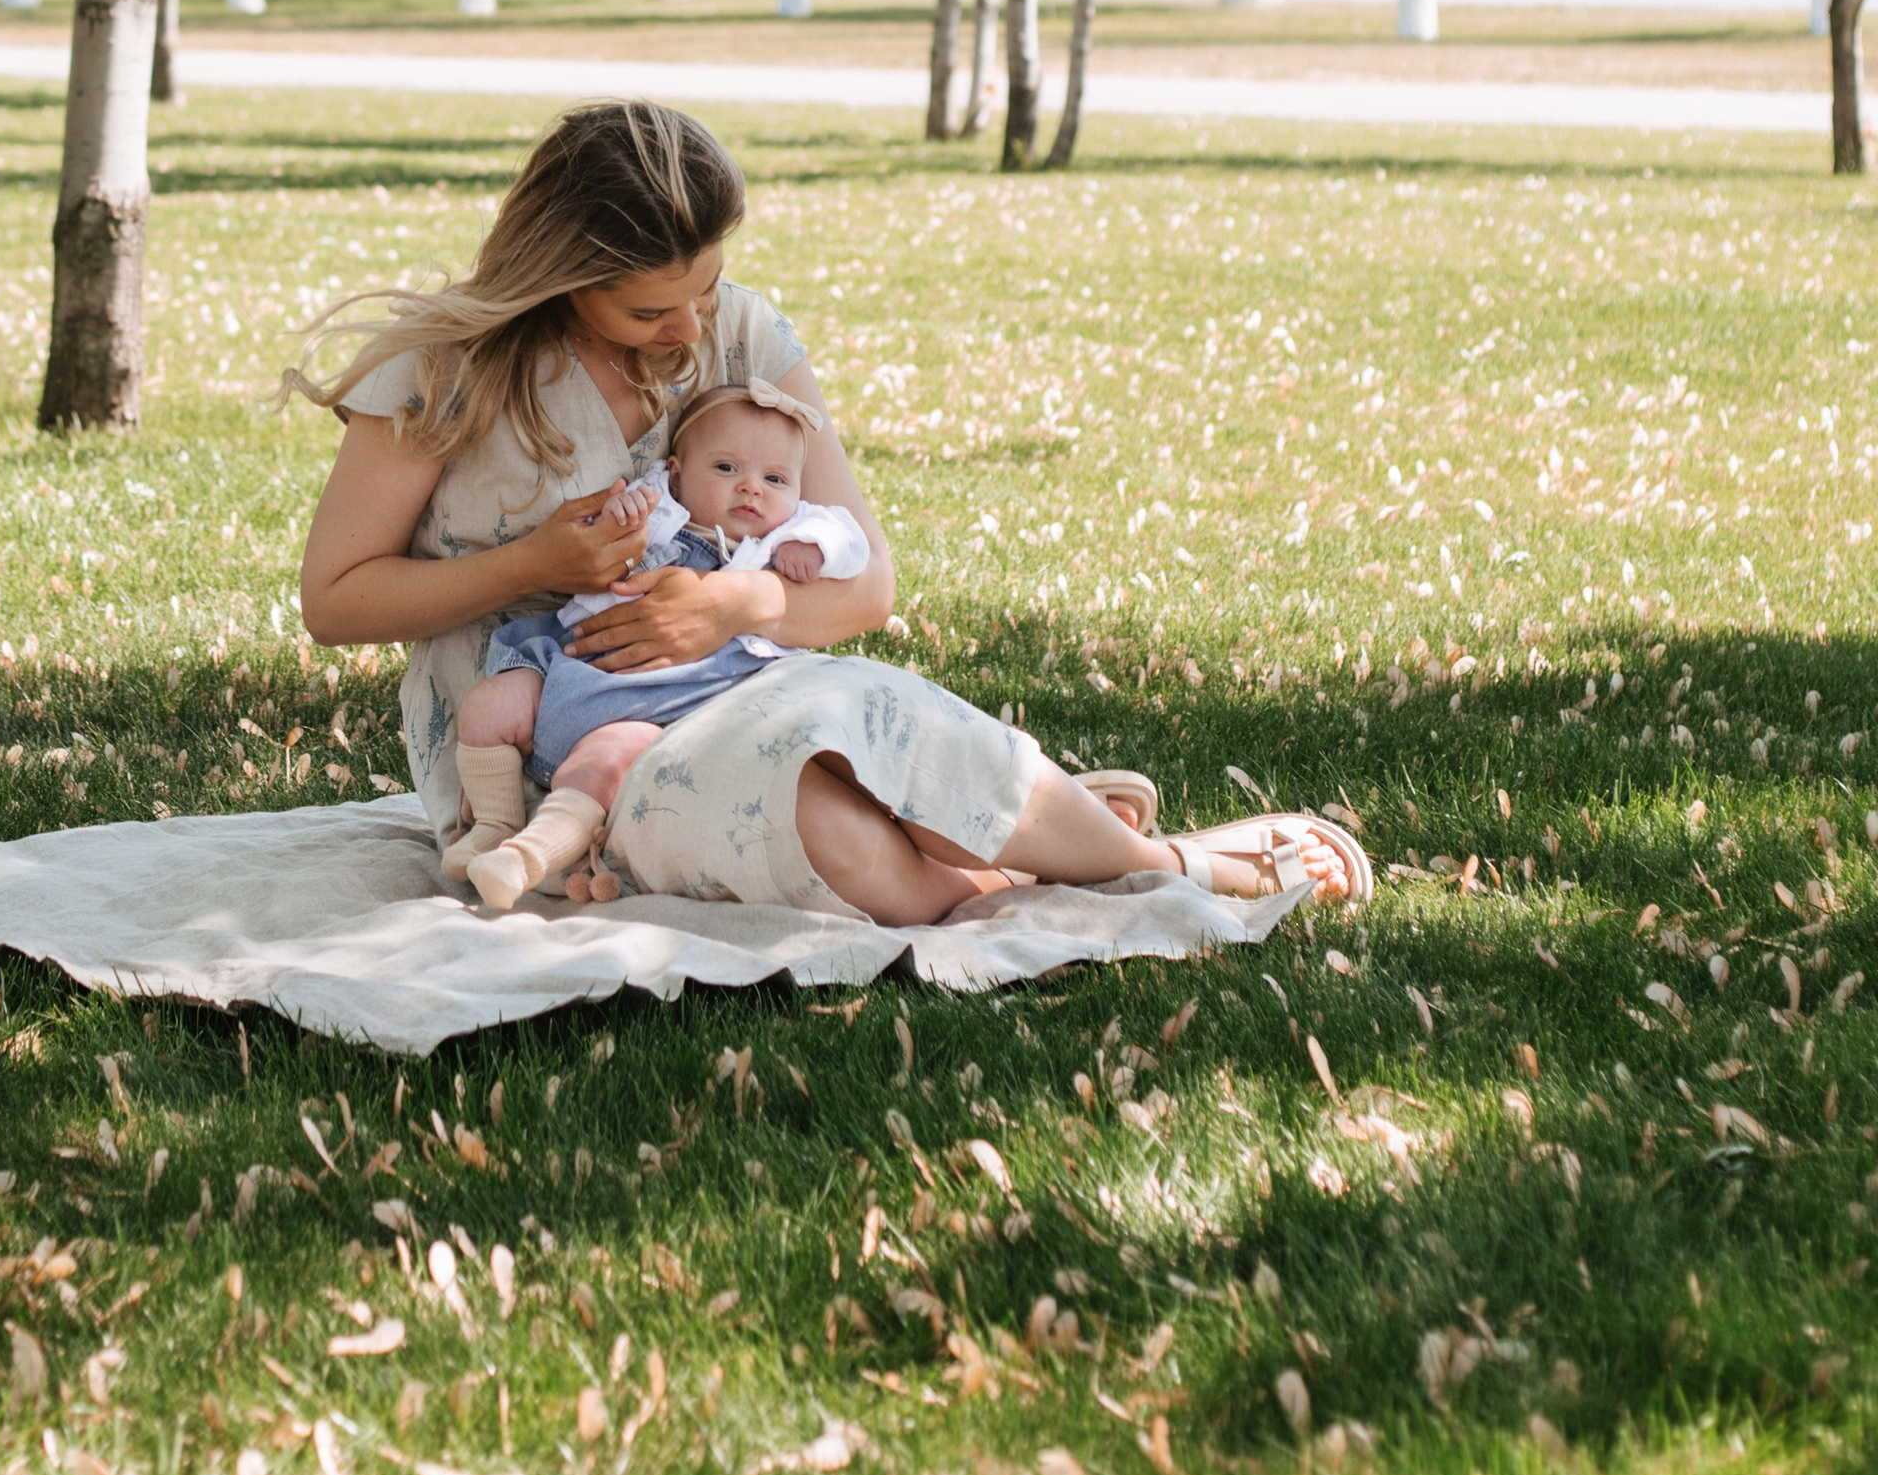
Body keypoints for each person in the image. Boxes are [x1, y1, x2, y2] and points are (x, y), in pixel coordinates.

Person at [292, 101, 1366, 925]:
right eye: (648, 308)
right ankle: (1030, 851)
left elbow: (864, 588)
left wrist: (734, 606)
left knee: (863, 712)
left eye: (705, 288)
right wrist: (531, 565)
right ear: (559, 274)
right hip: (541, 757)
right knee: (833, 833)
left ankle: (1166, 865)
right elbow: (335, 602)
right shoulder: (442, 370)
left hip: (743, 688)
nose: (689, 330)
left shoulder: (745, 336)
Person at [450, 378, 874, 912]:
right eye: (727, 468)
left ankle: (524, 860)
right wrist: (620, 514)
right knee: (489, 704)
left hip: (655, 708)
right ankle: (492, 825)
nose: (752, 489)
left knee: (603, 763)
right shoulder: (657, 512)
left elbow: (848, 537)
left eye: (775, 479)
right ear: (676, 474)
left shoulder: (778, 540)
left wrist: (813, 547)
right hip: (571, 667)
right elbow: (598, 540)